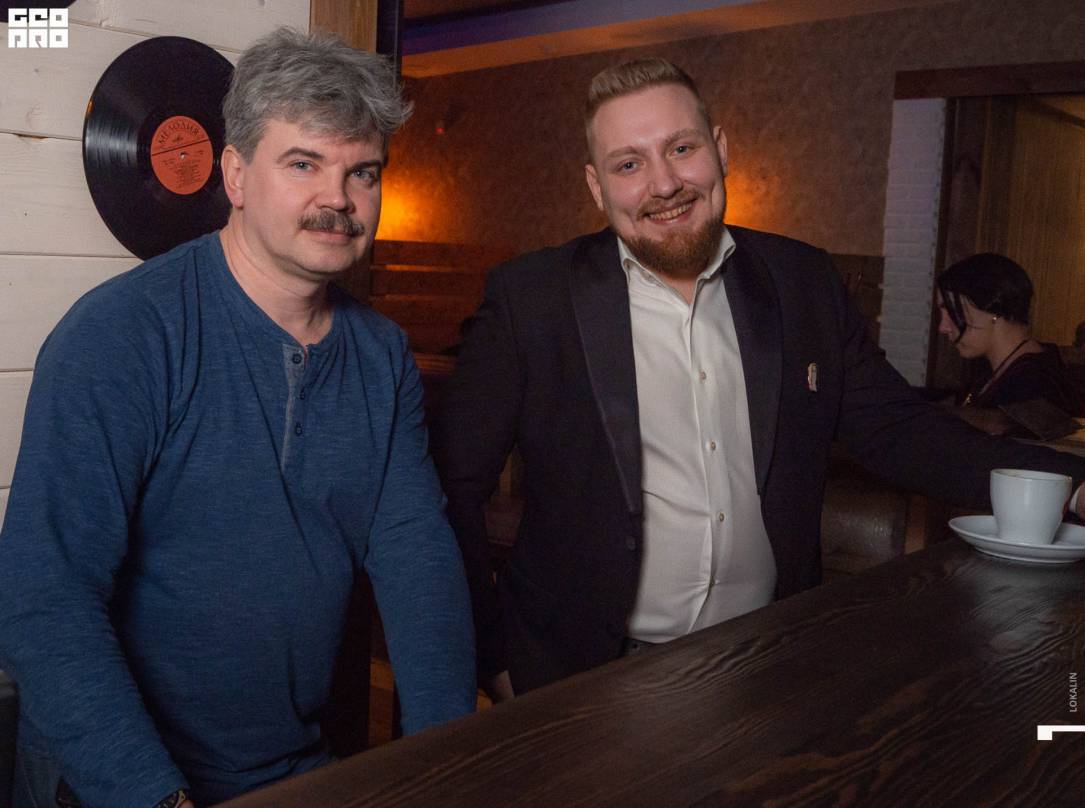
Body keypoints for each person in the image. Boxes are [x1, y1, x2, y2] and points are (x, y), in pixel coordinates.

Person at [430, 57, 1085, 701]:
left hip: (765, 665)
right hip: (576, 675)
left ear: (719, 150)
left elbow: (898, 430)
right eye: (628, 164)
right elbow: (452, 486)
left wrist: (1075, 486)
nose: (664, 183)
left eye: (680, 148)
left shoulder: (803, 283)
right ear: (597, 188)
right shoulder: (532, 298)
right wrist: (491, 656)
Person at [0, 27, 475, 808]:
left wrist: (444, 768)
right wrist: (159, 799)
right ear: (236, 174)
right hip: (115, 784)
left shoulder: (381, 353)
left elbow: (416, 561)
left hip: (289, 766)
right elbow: (43, 598)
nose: (338, 199)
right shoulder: (120, 335)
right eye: (304, 164)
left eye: (362, 172)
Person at [936, 253, 1083, 415]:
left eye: (953, 311)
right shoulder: (997, 369)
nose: (943, 327)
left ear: (992, 308)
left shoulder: (1031, 386)